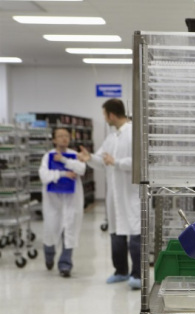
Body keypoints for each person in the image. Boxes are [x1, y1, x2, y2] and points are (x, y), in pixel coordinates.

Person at [78, 98, 142, 290]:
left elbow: (138, 162)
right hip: (114, 196)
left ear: (111, 115)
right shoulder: (111, 137)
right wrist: (89, 158)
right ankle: (120, 271)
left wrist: (117, 162)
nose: (105, 118)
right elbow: (102, 159)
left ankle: (137, 275)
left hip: (130, 194)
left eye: (105, 114)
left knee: (134, 233)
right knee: (116, 233)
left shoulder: (133, 133)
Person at [39, 127, 87, 278]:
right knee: (51, 231)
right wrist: (63, 173)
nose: (64, 138)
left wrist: (65, 161)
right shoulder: (47, 156)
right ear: (54, 139)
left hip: (71, 201)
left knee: (69, 232)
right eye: (60, 136)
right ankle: (49, 255)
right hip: (53, 202)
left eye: (66, 136)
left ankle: (65, 265)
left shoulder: (74, 155)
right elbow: (44, 176)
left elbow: (81, 169)